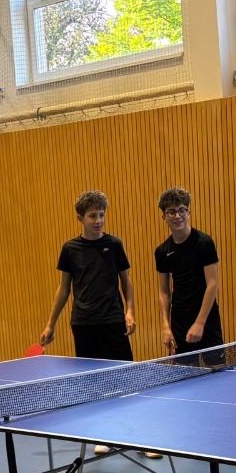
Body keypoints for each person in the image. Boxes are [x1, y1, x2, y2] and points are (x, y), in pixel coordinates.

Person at [40, 190, 159, 458]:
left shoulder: (114, 244)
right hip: (83, 324)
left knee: (127, 381)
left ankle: (139, 440)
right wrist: (51, 324)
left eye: (101, 215)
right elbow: (64, 289)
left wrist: (130, 311)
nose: (98, 221)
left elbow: (126, 281)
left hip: (113, 321)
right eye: (92, 216)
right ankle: (103, 435)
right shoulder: (70, 249)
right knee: (93, 385)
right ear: (80, 218)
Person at [153, 188, 223, 355]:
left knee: (216, 370)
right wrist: (166, 327)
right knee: (184, 370)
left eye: (182, 210)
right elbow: (164, 292)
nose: (177, 216)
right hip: (180, 322)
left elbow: (212, 284)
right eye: (171, 212)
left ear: (188, 212)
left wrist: (200, 323)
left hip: (207, 320)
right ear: (164, 217)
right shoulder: (162, 251)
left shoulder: (204, 243)